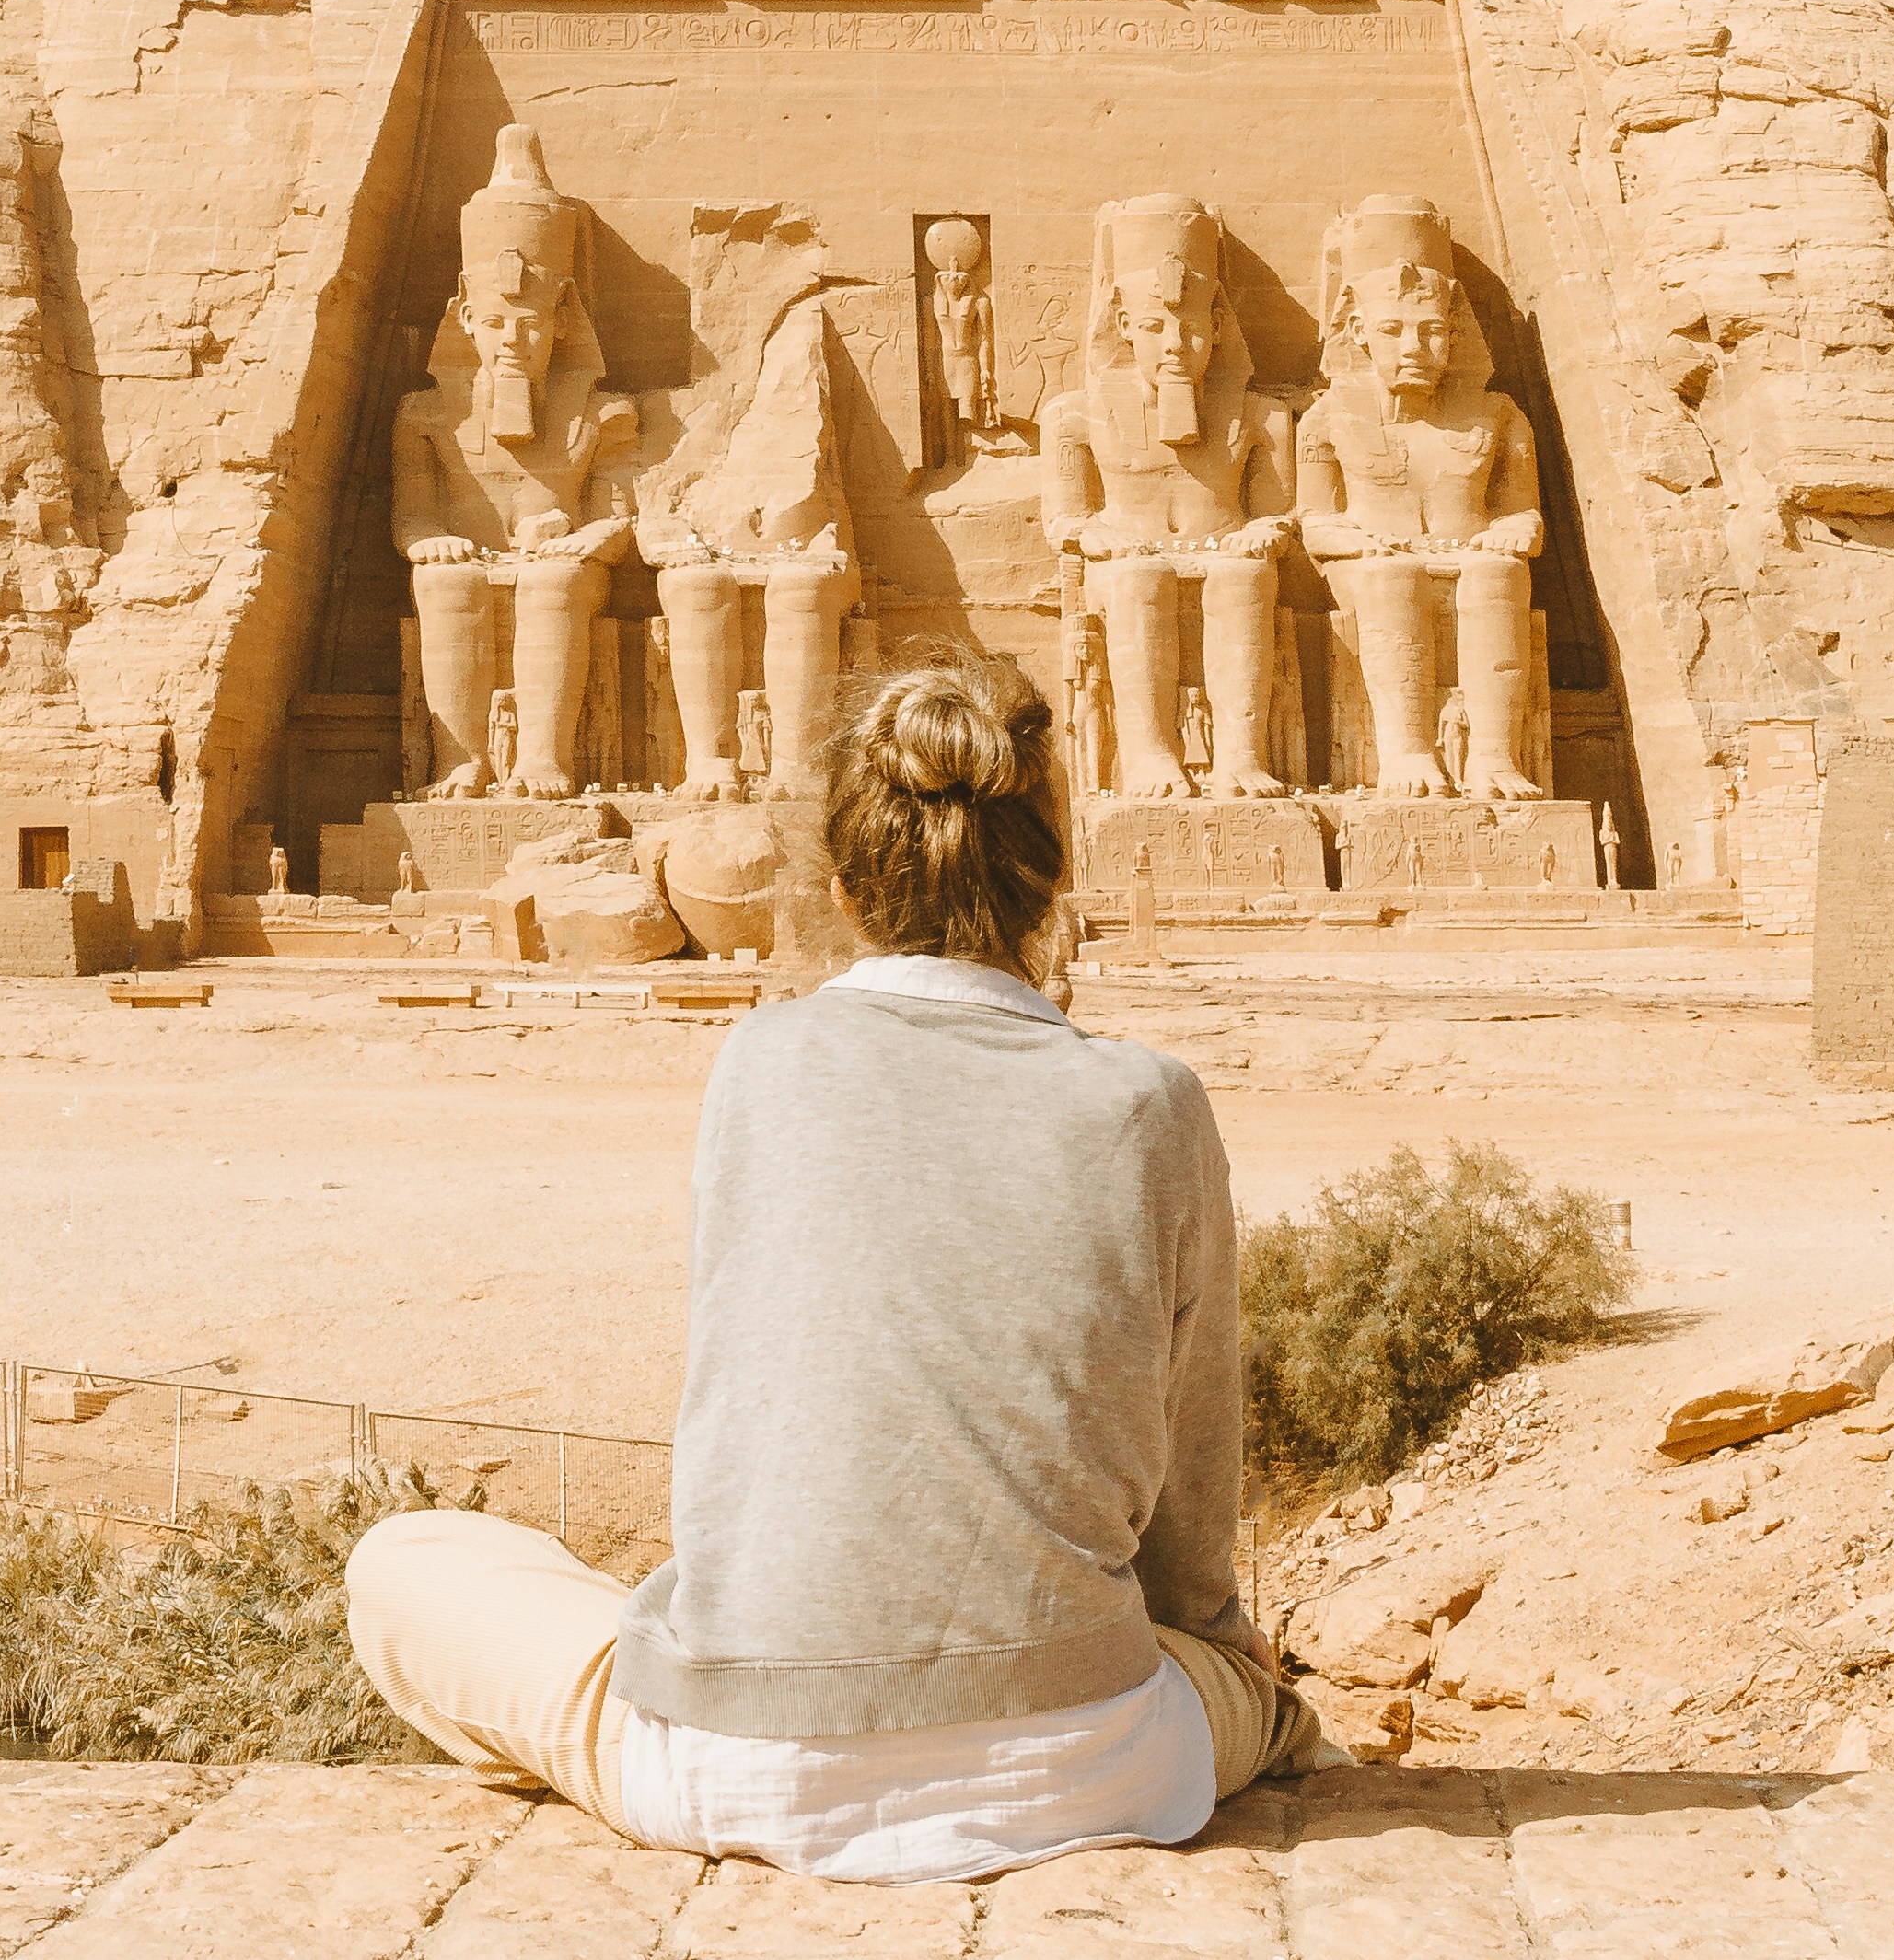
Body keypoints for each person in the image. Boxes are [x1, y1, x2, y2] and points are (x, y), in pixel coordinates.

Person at [346, 649, 1330, 1884]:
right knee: (1230, 1686)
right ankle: (1289, 1736)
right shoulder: (1148, 1101)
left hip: (740, 1756)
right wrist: (1221, 1652)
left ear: (842, 877)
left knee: (406, 1564)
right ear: (1049, 869)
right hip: (1080, 1762)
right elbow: (1190, 1490)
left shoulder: (763, 1063)